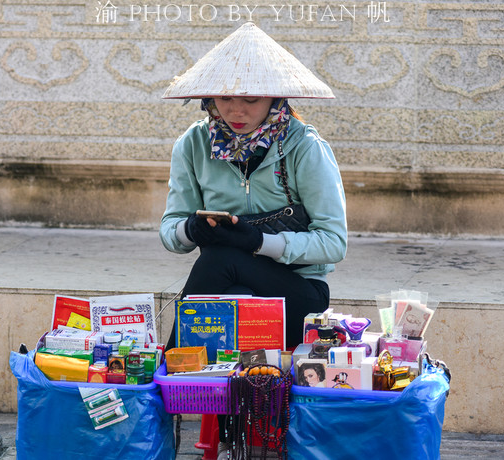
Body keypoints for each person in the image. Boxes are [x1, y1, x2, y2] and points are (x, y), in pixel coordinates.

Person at [159, 22, 347, 459]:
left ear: (275, 99)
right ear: (209, 98)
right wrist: (192, 229)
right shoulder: (191, 145)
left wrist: (257, 241)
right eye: (225, 97)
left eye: (251, 98)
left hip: (297, 297)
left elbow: (333, 243)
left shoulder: (304, 147)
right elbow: (170, 232)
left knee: (223, 255)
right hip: (225, 294)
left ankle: (169, 384)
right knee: (219, 259)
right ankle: (198, 400)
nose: (236, 109)